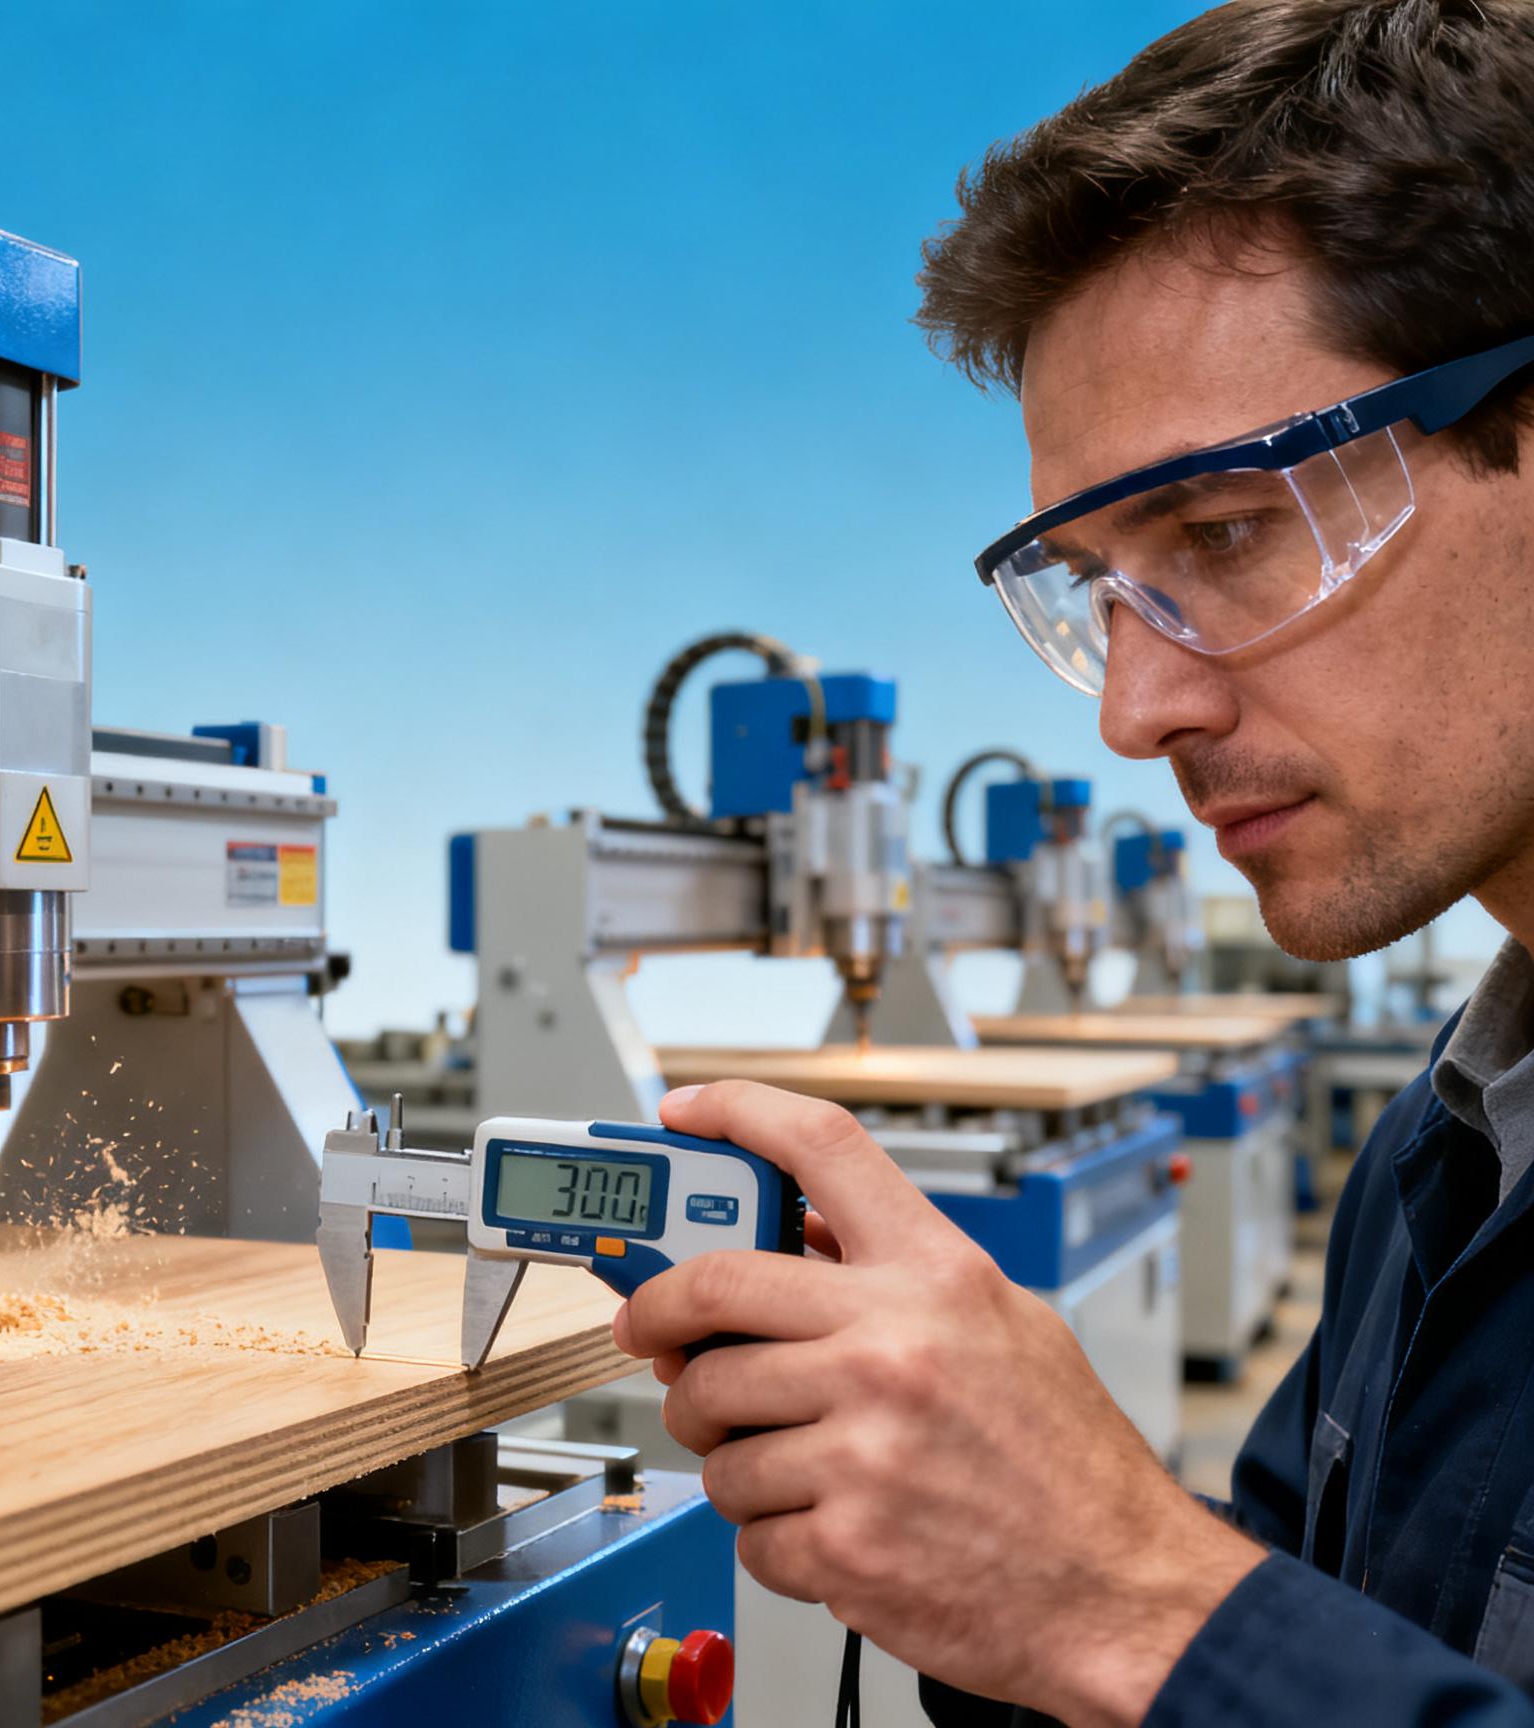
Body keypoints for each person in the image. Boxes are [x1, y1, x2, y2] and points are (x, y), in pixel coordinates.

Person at [610, 2, 1534, 1722]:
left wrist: (1126, 1594)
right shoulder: (1446, 1154)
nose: (1135, 710)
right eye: (1097, 590)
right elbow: (1290, 1614)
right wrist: (1001, 1553)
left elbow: (1193, 1626)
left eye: (1228, 532)